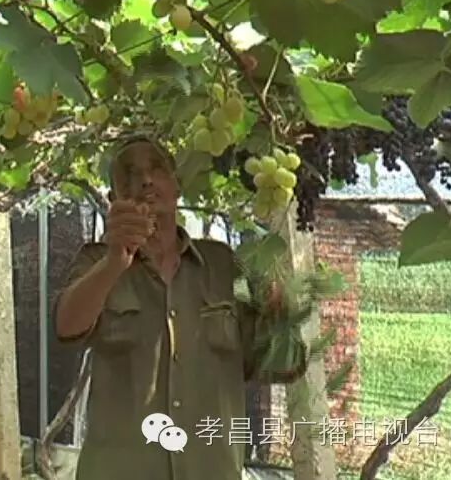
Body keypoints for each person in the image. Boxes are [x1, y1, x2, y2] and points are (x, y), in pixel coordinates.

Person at [54, 135, 307, 480]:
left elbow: (282, 365)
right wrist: (115, 262)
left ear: (176, 186)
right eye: (129, 175)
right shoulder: (96, 262)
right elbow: (67, 325)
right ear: (114, 200)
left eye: (156, 169)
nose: (144, 180)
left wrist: (280, 317)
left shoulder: (223, 265)